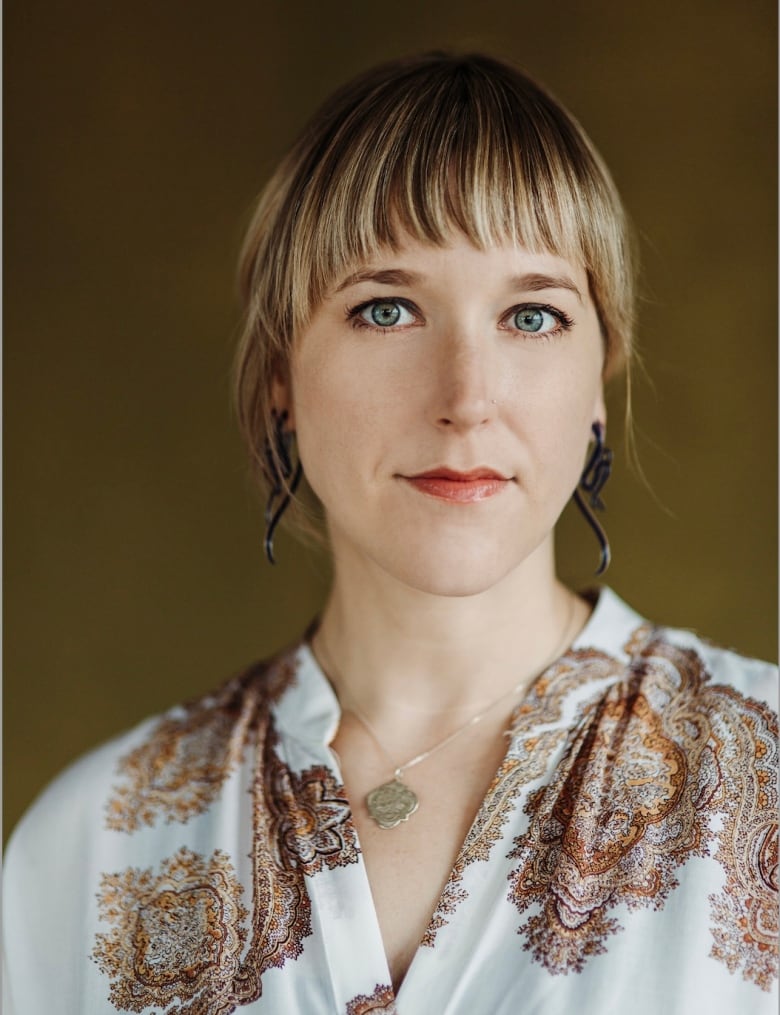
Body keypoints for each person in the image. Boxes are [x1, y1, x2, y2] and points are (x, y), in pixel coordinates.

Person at [3, 52, 777, 1015]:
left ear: (599, 390)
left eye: (532, 315)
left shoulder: (768, 776)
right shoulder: (92, 841)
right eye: (387, 309)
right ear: (280, 371)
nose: (466, 398)